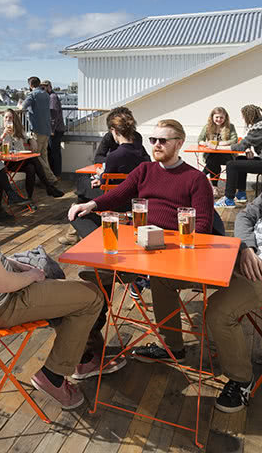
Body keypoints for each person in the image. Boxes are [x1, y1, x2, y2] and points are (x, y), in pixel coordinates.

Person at [0, 124, 126, 410]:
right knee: (91, 296)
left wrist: (22, 265)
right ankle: (54, 376)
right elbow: (3, 285)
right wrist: (31, 275)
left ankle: (80, 355)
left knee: (45, 261)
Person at [68, 119, 214, 363]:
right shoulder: (145, 170)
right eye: (153, 140)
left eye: (162, 141)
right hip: (138, 245)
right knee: (91, 272)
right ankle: (89, 343)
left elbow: (202, 228)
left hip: (174, 253)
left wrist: (170, 244)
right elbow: (119, 193)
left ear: (178, 143)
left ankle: (173, 348)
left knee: (161, 279)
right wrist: (91, 204)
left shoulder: (195, 179)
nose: (156, 145)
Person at [204, 193, 262, 412]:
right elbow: (245, 216)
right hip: (244, 256)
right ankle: (172, 345)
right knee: (168, 277)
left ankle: (241, 379)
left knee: (219, 313)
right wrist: (248, 247)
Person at [70, 107, 151, 240]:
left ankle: (78, 218)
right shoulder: (141, 152)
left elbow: (105, 180)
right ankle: (77, 223)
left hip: (114, 198)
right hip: (135, 198)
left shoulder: (114, 156)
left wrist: (102, 175)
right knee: (85, 190)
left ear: (114, 130)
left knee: (82, 183)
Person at [0, 109, 64, 201]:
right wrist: (3, 136)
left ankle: (30, 198)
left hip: (19, 160)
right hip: (6, 163)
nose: (8, 120)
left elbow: (27, 137)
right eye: (6, 117)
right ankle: (48, 187)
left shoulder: (18, 131)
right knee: (34, 159)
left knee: (31, 167)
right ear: (3, 119)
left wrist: (31, 140)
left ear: (14, 120)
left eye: (10, 118)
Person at [215, 105, 262, 208]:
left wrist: (216, 147)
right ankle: (241, 194)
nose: (242, 119)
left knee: (231, 165)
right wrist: (248, 148)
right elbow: (248, 143)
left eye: (243, 116)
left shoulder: (258, 128)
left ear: (248, 116)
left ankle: (228, 199)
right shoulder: (259, 126)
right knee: (239, 159)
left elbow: (240, 147)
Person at [19, 76, 58, 184]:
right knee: (43, 156)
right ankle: (46, 179)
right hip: (46, 128)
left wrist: (20, 105)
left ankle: (51, 178)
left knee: (36, 155)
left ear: (30, 85)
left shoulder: (32, 95)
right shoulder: (46, 94)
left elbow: (22, 108)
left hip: (37, 129)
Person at [197, 107, 238, 197]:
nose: (219, 119)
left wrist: (219, 144)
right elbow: (200, 140)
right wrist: (206, 143)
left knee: (213, 160)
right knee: (213, 160)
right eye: (217, 117)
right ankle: (214, 188)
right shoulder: (207, 127)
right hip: (211, 155)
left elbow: (234, 140)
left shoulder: (230, 126)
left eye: (221, 117)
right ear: (212, 117)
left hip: (227, 155)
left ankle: (201, 176)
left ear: (225, 118)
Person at [41, 80, 65, 178]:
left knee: (54, 153)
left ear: (48, 87)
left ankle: (56, 175)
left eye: (43, 87)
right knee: (53, 152)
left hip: (55, 130)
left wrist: (51, 130)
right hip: (55, 129)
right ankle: (54, 175)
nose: (42, 89)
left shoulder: (52, 97)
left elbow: (53, 115)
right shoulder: (51, 96)